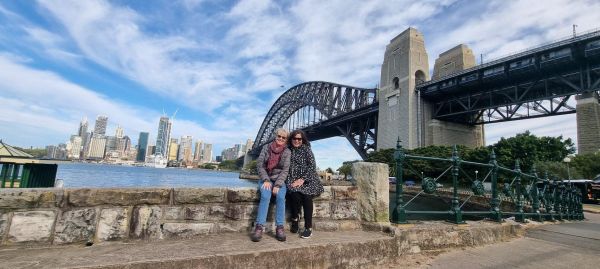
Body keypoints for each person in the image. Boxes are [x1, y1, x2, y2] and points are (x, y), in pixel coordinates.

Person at [252, 128, 291, 242]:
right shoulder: (266, 148)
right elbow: (260, 165)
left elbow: (285, 170)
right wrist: (266, 180)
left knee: (280, 197)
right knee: (265, 196)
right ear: (276, 136)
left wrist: (278, 185)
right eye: (279, 136)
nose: (281, 139)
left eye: (283, 137)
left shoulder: (287, 152)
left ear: (286, 139)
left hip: (279, 181)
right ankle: (259, 227)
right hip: (266, 179)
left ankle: (279, 228)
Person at [286, 130, 324, 239]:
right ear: (291, 139)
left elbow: (312, 166)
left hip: (307, 180)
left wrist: (302, 179)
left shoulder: (307, 149)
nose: (297, 141)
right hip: (292, 179)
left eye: (299, 139)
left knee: (307, 197)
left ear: (302, 140)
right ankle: (295, 219)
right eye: (295, 138)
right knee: (294, 195)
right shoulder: (288, 150)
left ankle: (308, 228)